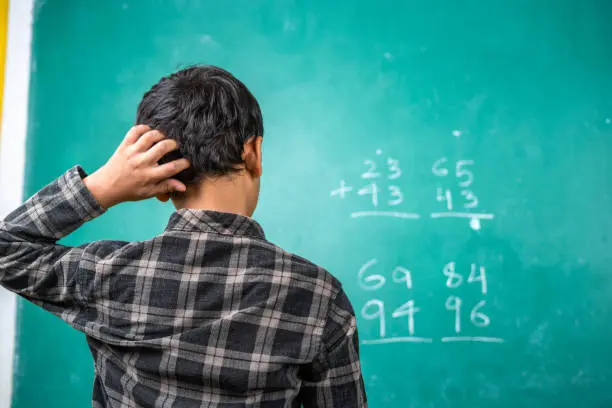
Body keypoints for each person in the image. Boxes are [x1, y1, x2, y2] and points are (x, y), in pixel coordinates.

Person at [0, 66, 367, 407]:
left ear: (157, 182)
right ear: (253, 152)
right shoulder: (317, 296)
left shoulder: (107, 275)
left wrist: (103, 186)